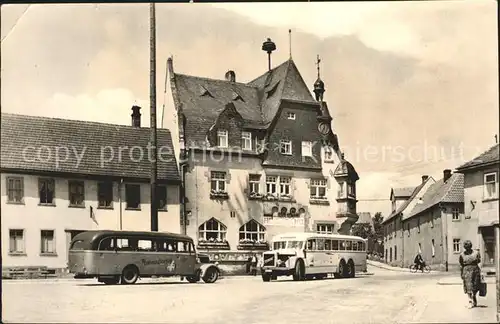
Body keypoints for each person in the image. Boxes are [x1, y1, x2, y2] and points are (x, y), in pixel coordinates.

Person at [459, 240, 481, 308]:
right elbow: (461, 264)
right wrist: (462, 273)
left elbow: (479, 261)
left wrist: (480, 271)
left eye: (468, 247)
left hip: (475, 270)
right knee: (468, 286)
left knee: (475, 285)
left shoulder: (476, 253)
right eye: (466, 247)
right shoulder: (462, 254)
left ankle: (473, 296)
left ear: (470, 246)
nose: (467, 248)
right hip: (466, 271)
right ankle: (470, 301)